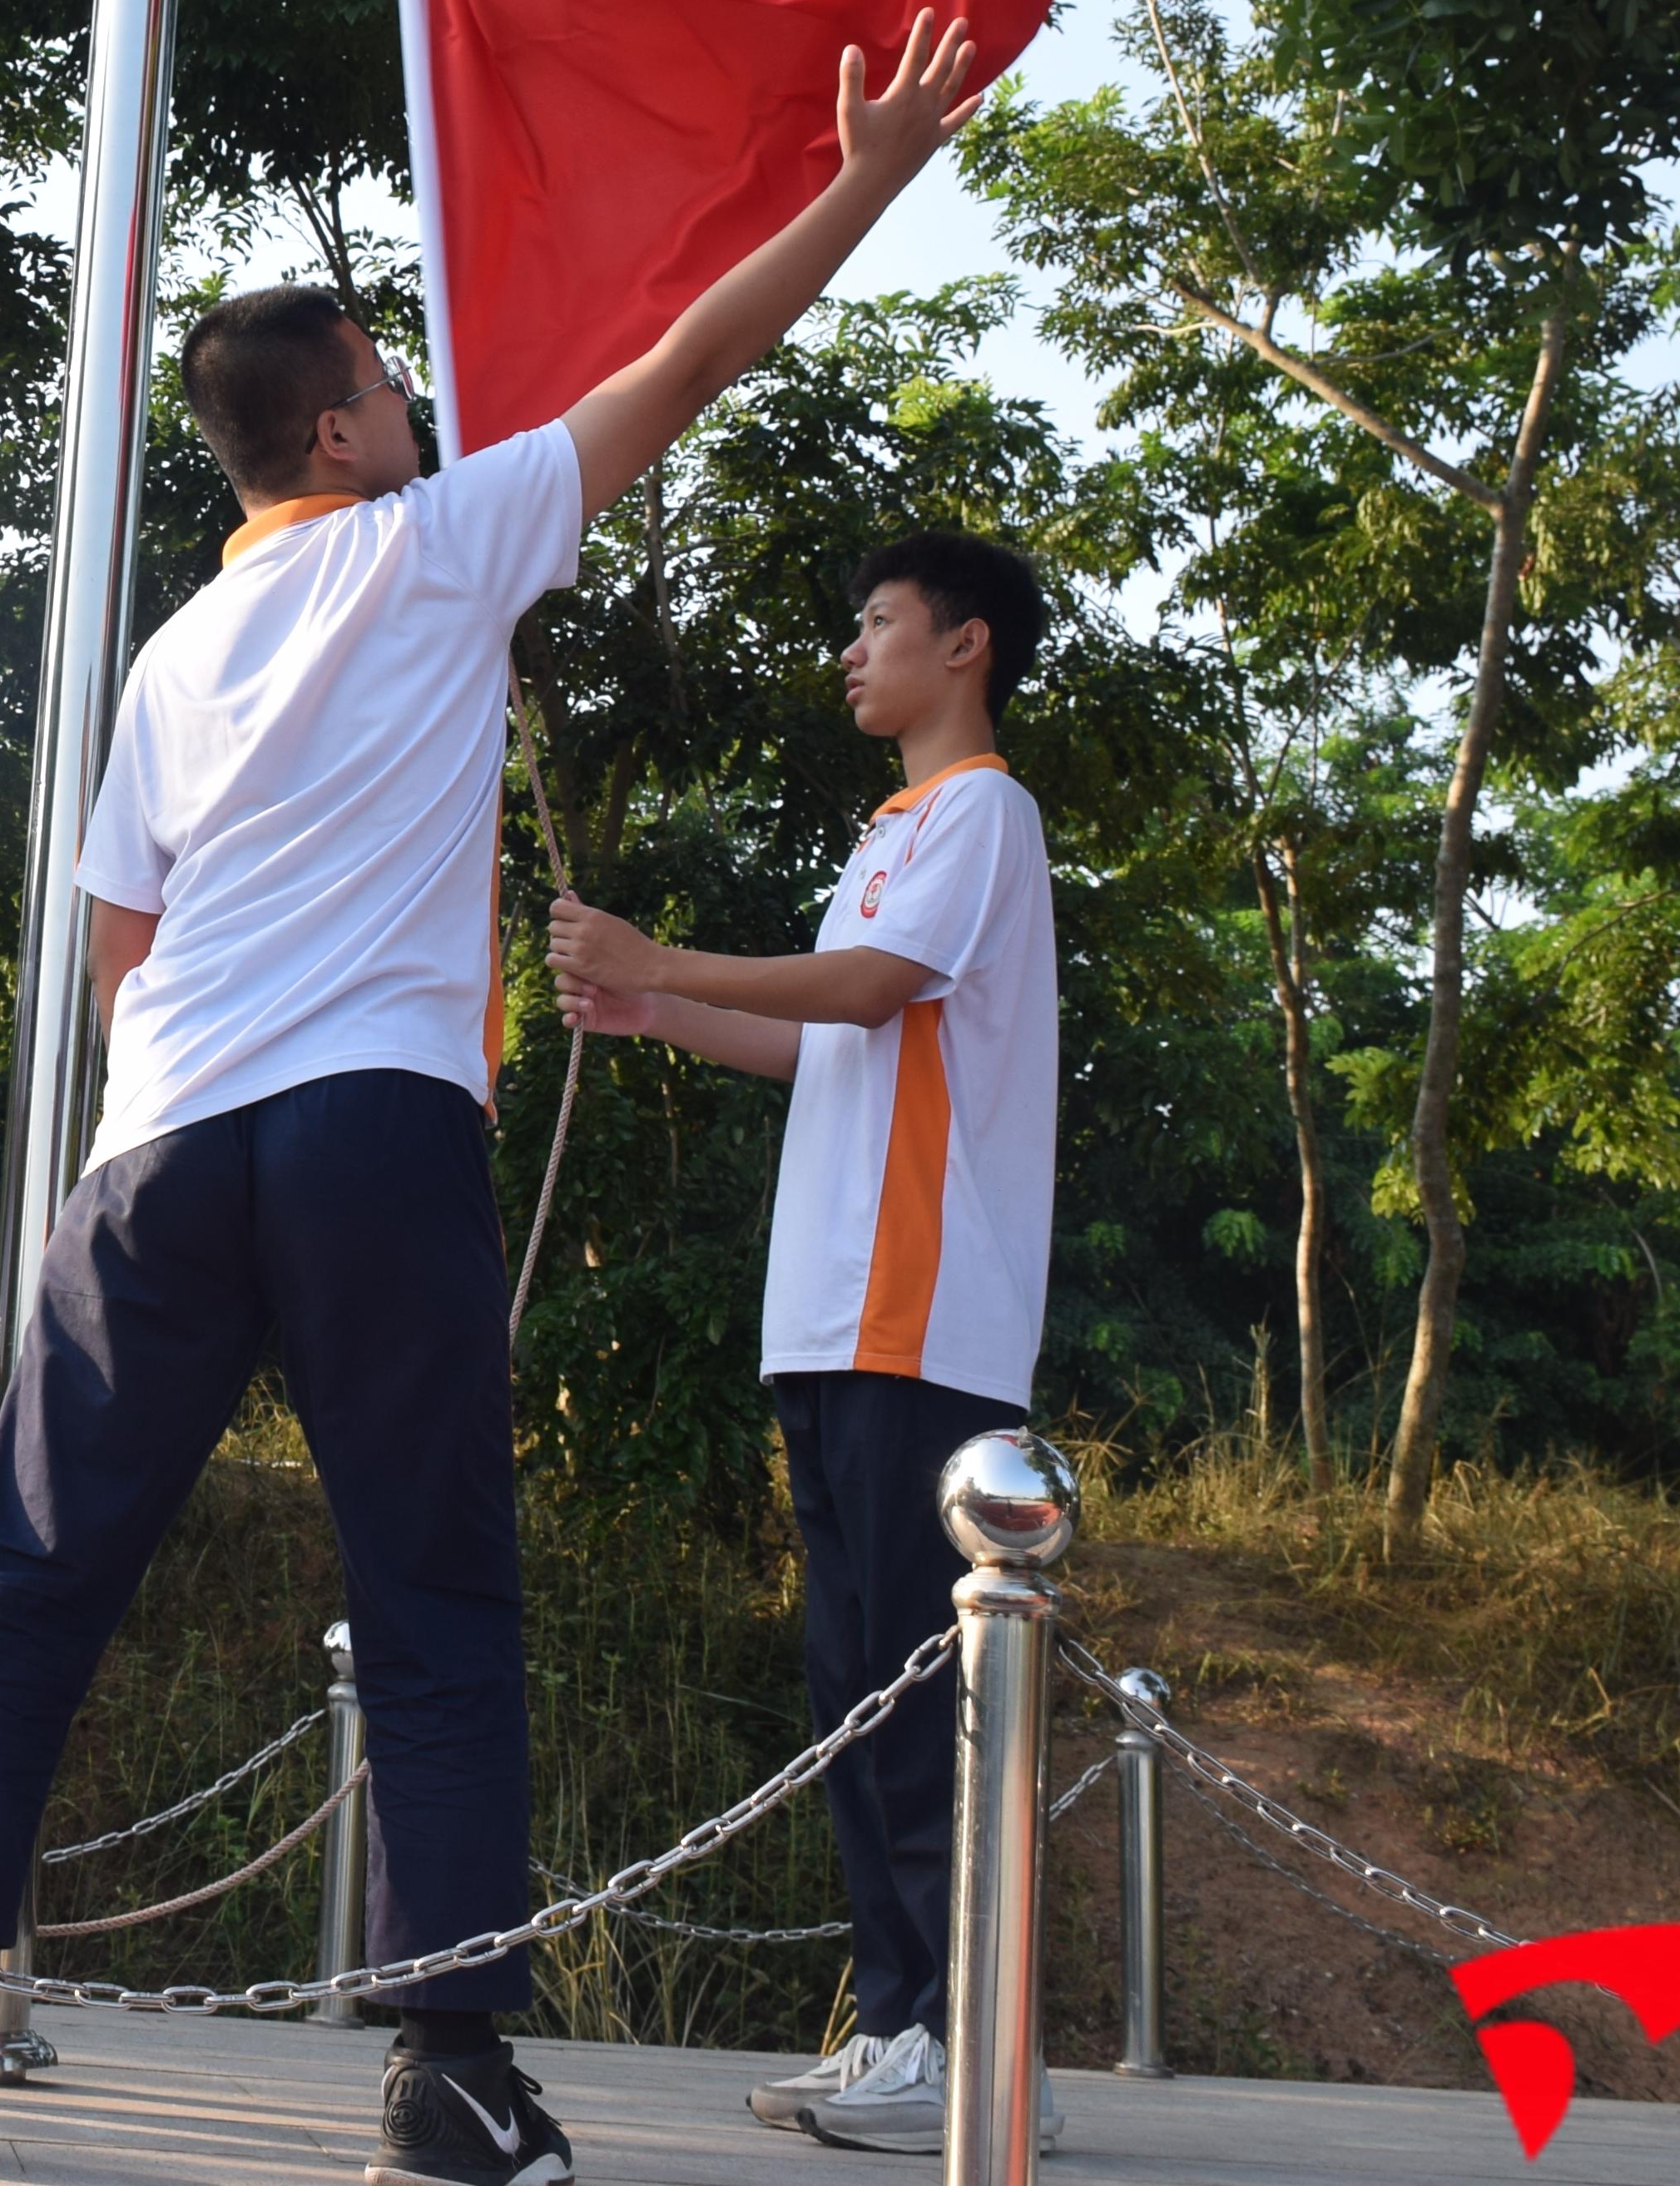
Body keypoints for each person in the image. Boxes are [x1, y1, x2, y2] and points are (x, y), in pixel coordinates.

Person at [0, 14, 983, 2186]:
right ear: (338, 422)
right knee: (433, 1601)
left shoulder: (167, 653)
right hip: (371, 1127)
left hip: (158, 1142)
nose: (425, 398)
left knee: (30, 1576)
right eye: (393, 375)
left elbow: (124, 942)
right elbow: (695, 365)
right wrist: (871, 170)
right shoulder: (438, 541)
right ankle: (448, 2081)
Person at [541, 527, 1059, 2158]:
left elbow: (875, 982)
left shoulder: (981, 811)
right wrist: (656, 1007)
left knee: (918, 1691)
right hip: (834, 1322)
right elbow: (830, 1032)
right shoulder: (896, 827)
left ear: (964, 645)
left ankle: (974, 2046)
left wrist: (660, 952)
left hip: (922, 1323)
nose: (856, 647)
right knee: (856, 1687)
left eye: (879, 620)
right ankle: (907, 2024)